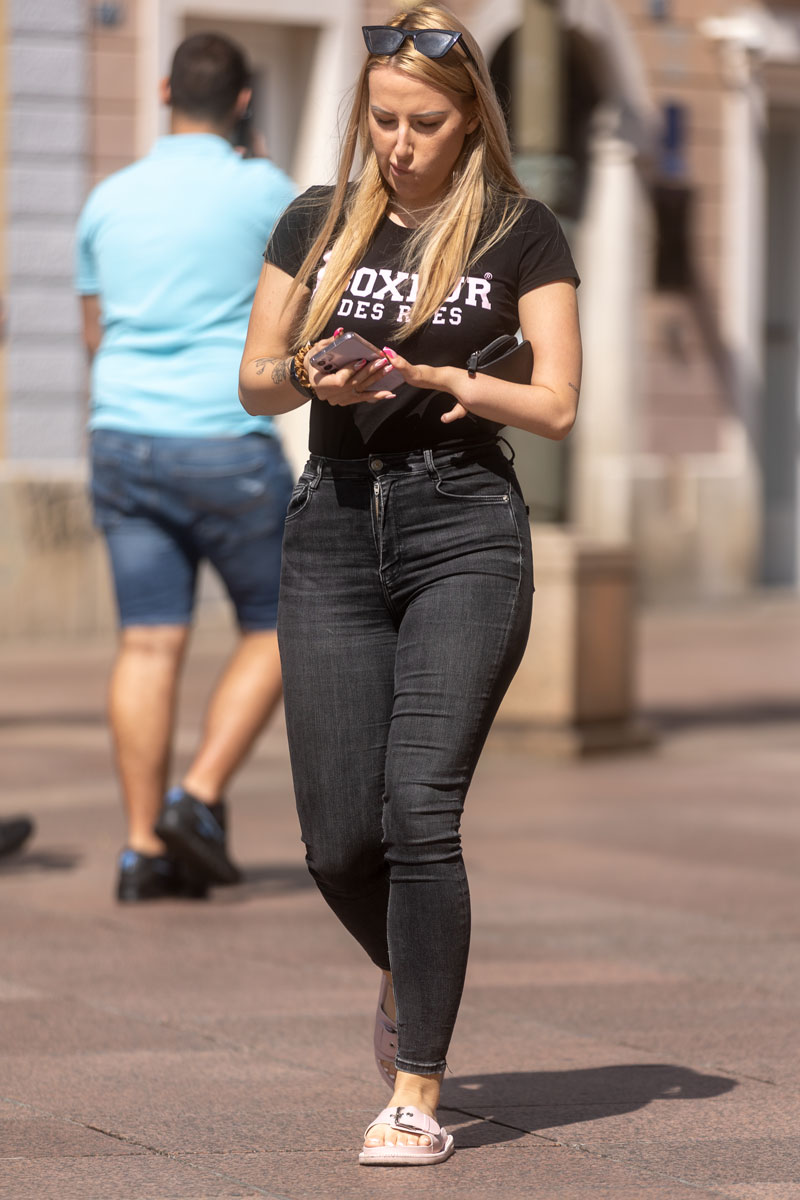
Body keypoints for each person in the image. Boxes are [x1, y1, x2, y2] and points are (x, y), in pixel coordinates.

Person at [239, 3, 581, 1166]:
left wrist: (446, 380)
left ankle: (414, 1096)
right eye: (382, 119)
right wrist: (310, 374)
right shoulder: (315, 221)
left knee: (418, 810)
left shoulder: (518, 231)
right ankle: (409, 962)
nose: (398, 142)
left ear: (467, 118)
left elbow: (556, 402)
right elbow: (254, 380)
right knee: (337, 841)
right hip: (331, 528)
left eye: (422, 123)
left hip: (463, 525)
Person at [75, 33, 296, 903]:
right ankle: (197, 797)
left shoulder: (108, 199)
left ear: (165, 91)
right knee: (284, 620)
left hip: (123, 435)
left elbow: (95, 335)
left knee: (148, 640)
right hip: (225, 440)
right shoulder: (267, 192)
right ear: (243, 101)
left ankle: (140, 851)